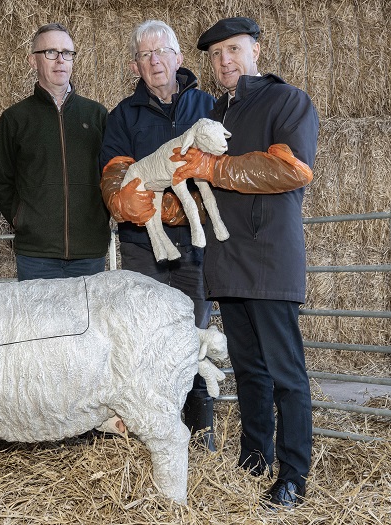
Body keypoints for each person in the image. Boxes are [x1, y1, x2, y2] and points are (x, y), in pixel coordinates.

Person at [171, 17, 319, 509]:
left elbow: (289, 168)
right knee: (249, 369)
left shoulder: (287, 101)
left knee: (286, 372)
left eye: (233, 49)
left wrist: (212, 167)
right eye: (215, 55)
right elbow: (197, 184)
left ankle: (293, 472)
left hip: (269, 257)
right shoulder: (214, 114)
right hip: (228, 260)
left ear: (256, 49)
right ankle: (254, 459)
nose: (224, 61)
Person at [99, 20, 217, 449]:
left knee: (192, 332)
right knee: (145, 338)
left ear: (179, 57)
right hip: (142, 246)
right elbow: (116, 177)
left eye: (161, 51)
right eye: (146, 55)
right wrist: (141, 203)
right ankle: (150, 436)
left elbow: (221, 169)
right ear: (136, 66)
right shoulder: (122, 117)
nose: (155, 61)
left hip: (194, 247)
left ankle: (201, 434)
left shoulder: (208, 106)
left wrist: (189, 212)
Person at [0, 23, 110, 281]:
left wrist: (101, 215)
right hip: (36, 256)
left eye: (67, 53)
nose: (60, 60)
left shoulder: (97, 114)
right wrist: (23, 219)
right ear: (33, 61)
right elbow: (0, 182)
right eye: (50, 53)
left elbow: (112, 174)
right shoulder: (15, 118)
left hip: (89, 253)